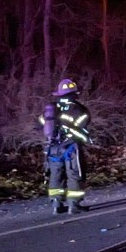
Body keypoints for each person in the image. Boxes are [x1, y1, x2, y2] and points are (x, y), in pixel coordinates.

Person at [39, 78, 93, 215]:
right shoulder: (80, 109)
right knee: (74, 175)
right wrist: (85, 138)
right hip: (70, 147)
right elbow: (82, 126)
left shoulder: (51, 108)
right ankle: (73, 205)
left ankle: (56, 205)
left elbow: (40, 122)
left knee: (55, 175)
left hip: (52, 148)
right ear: (74, 94)